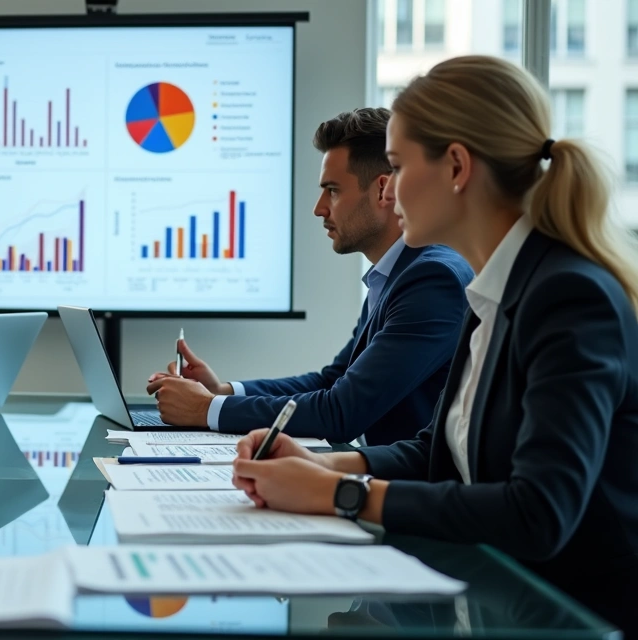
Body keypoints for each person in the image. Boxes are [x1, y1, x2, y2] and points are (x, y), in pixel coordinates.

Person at [232, 56, 638, 635]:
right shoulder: (495, 286)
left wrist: (342, 494)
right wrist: (323, 462)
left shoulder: (569, 296)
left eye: (396, 166)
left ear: (455, 166)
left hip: (569, 618)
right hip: (496, 606)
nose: (388, 189)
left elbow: (538, 512)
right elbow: (444, 450)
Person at [148, 108, 473, 445]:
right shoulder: (396, 272)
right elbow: (333, 380)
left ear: (381, 191)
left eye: (332, 190)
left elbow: (341, 411)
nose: (319, 208)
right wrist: (223, 392)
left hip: (410, 489)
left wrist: (208, 409)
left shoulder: (431, 280)